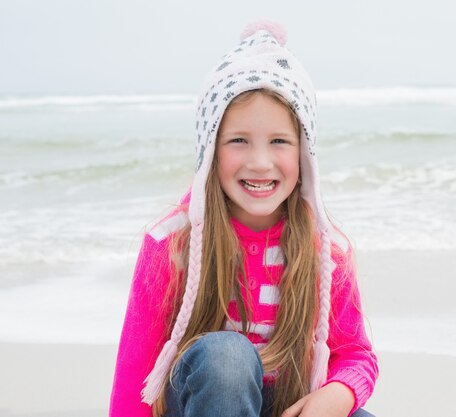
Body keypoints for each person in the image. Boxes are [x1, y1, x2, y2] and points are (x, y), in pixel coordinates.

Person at [109, 21, 378, 417]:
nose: (259, 162)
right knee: (227, 358)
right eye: (238, 140)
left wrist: (337, 394)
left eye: (279, 141)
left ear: (304, 153)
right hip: (202, 403)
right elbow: (134, 378)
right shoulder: (172, 243)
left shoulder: (327, 251)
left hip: (285, 404)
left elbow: (356, 355)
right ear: (210, 150)